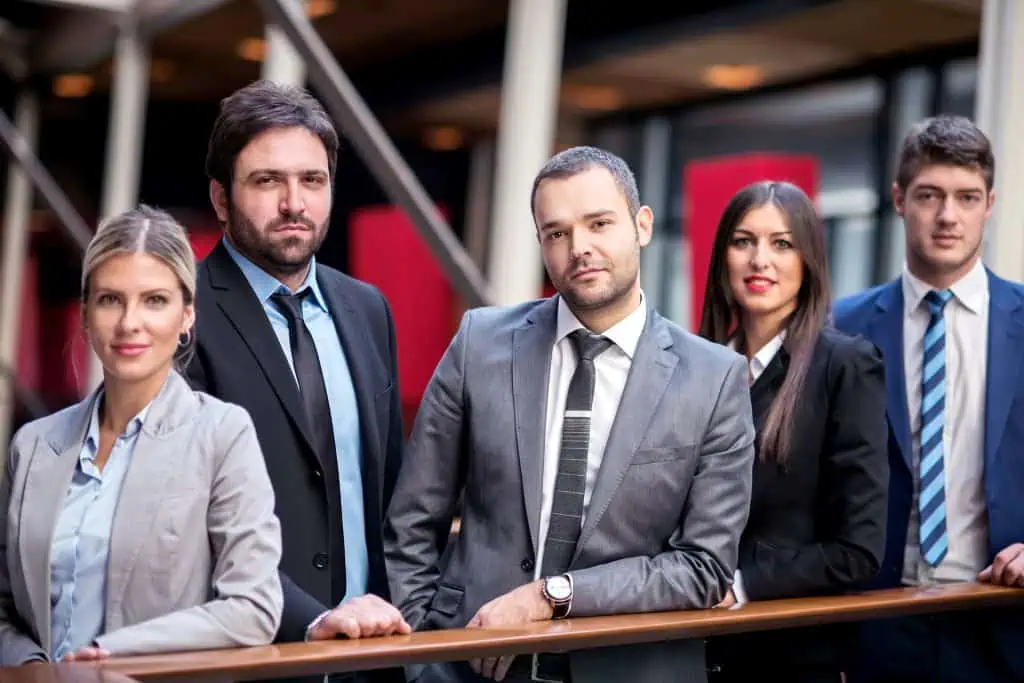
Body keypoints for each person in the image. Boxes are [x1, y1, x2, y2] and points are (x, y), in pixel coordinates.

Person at [385, 145, 756, 683]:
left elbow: (704, 566)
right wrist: (423, 659)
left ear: (642, 225)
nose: (578, 247)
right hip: (470, 666)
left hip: (628, 671)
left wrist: (552, 595)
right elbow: (411, 523)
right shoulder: (479, 344)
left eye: (598, 223)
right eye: (556, 233)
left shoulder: (714, 378)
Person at [185, 81, 409, 677]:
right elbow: (191, 519)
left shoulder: (367, 310)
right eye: (267, 181)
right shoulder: (183, 315)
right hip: (257, 656)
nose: (294, 203)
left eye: (312, 180)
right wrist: (311, 621)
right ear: (221, 198)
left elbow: (392, 493)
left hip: (376, 652)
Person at [0, 205, 283, 666]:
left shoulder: (221, 435)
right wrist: (36, 670)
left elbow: (253, 609)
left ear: (187, 315)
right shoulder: (32, 446)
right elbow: (4, 608)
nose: (130, 322)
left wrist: (107, 654)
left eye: (154, 300)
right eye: (110, 300)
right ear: (85, 315)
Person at [834, 114, 1024, 683]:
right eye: (929, 195)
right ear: (899, 199)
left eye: (967, 197)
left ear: (989, 204)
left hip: (1004, 619)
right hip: (877, 623)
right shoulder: (841, 327)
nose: (948, 216)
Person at [698, 181, 888, 683]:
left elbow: (858, 551)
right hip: (685, 649)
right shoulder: (696, 365)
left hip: (789, 657)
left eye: (782, 244)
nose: (760, 259)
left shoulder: (845, 365)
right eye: (743, 241)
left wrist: (742, 585)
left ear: (809, 262)